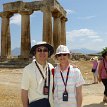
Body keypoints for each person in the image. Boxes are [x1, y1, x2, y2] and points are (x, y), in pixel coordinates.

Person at [21, 41, 54, 107]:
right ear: (35, 53)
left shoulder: (51, 67)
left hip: (50, 103)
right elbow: (24, 91)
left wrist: (71, 67)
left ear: (48, 53)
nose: (42, 52)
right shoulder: (28, 69)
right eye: (39, 50)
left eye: (45, 50)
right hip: (35, 104)